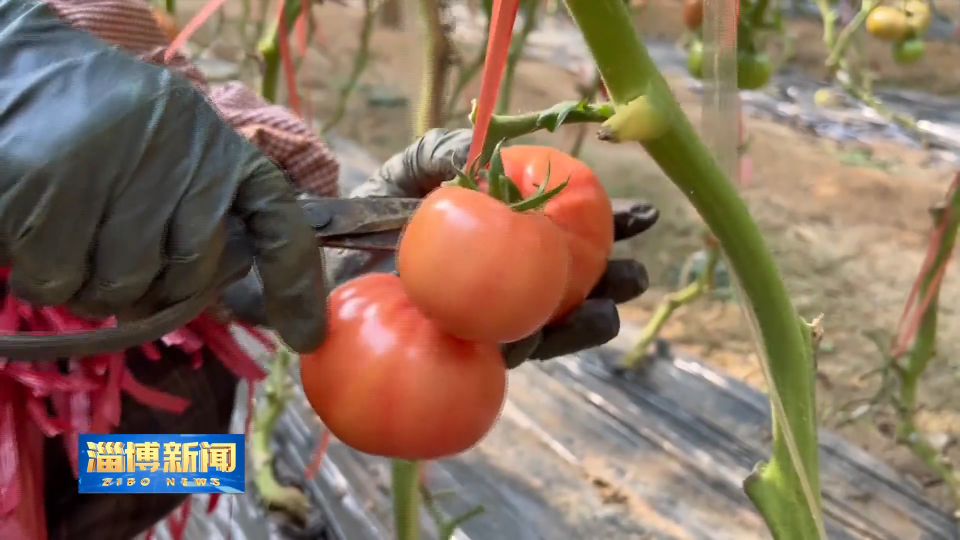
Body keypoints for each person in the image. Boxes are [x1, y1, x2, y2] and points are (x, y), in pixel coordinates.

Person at [0, 0, 659, 538]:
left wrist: (270, 232)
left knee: (167, 465)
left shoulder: (174, 373)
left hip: (117, 420)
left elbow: (173, 129)